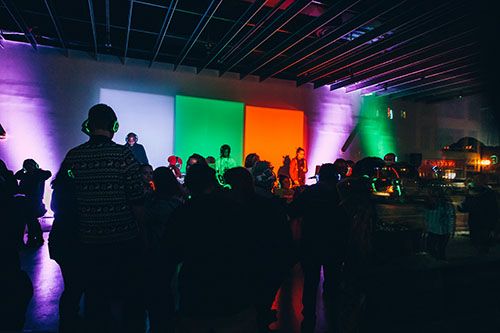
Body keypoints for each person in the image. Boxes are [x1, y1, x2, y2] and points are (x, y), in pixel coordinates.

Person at [60, 104, 146, 332]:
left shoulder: (74, 156)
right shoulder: (123, 154)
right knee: (125, 297)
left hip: (87, 242)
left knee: (95, 298)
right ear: (115, 126)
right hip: (123, 242)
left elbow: (62, 199)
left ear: (88, 126)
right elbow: (138, 200)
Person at [289, 163, 348, 333]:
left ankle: (308, 319)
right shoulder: (341, 193)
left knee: (310, 282)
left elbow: (293, 210)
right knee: (333, 282)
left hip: (311, 243)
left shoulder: (310, 192)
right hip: (335, 244)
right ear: (336, 176)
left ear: (320, 176)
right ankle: (333, 318)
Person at [143, 167, 184, 333]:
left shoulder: (150, 201)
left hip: (155, 250)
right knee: (172, 289)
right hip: (174, 251)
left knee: (157, 291)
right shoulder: (177, 202)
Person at [15, 159, 52, 247]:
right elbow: (17, 176)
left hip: (35, 200)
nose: (29, 167)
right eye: (27, 165)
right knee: (32, 219)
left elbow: (48, 173)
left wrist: (36, 170)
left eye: (30, 165)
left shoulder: (38, 174)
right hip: (29, 200)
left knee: (31, 219)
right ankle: (37, 238)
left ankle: (34, 238)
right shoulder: (27, 175)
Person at [459, 173, 498, 254]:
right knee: (476, 241)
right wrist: (462, 208)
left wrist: (493, 225)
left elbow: (494, 209)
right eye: (475, 180)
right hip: (474, 220)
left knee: (483, 241)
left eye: (479, 180)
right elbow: (467, 205)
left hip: (485, 221)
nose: (476, 182)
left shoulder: (490, 193)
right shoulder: (472, 192)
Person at [425, 187, 455, 260]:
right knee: (437, 249)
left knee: (438, 249)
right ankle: (440, 261)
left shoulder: (445, 206)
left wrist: (451, 230)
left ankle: (440, 262)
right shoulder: (431, 205)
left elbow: (451, 218)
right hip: (438, 231)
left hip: (441, 231)